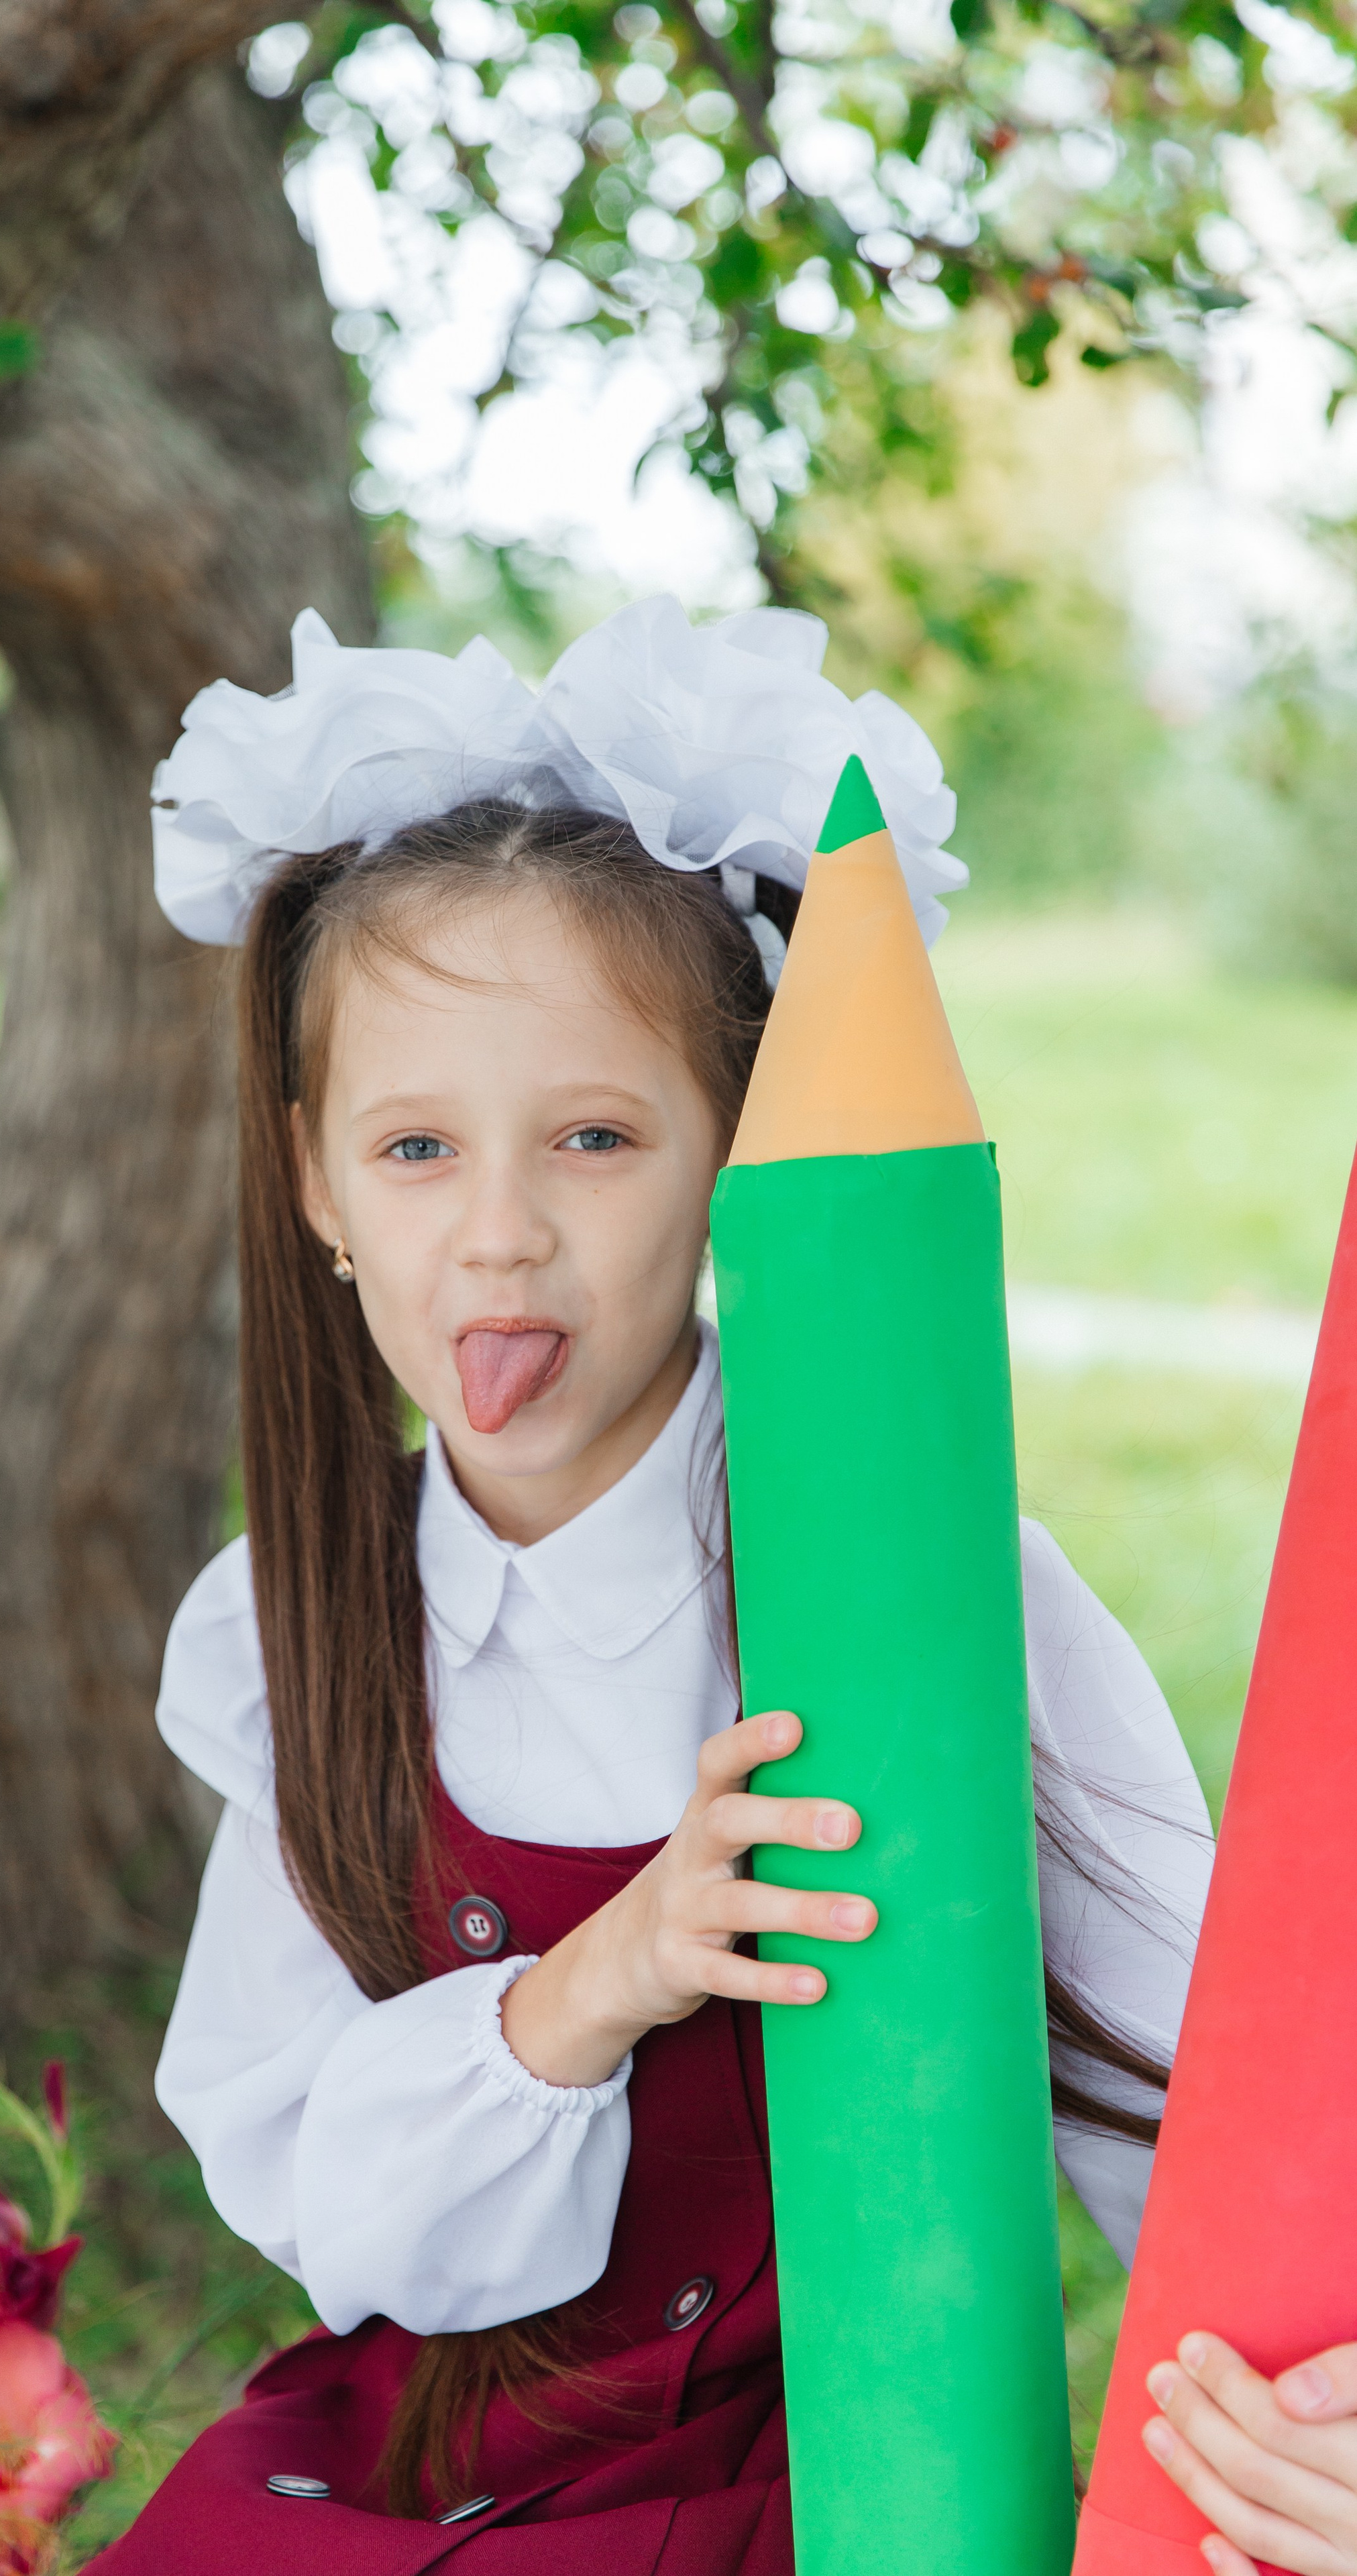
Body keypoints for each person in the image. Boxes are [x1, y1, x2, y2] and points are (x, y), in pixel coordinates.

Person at [87, 598, 1272, 2572]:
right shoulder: (298, 1628)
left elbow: (1196, 2104)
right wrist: (591, 1988)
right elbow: (301, 2174)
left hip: (811, 2493)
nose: (497, 1239)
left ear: (732, 1147)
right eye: (413, 1149)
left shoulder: (939, 1595)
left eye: (595, 1138)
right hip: (413, 2474)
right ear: (311, 1184)